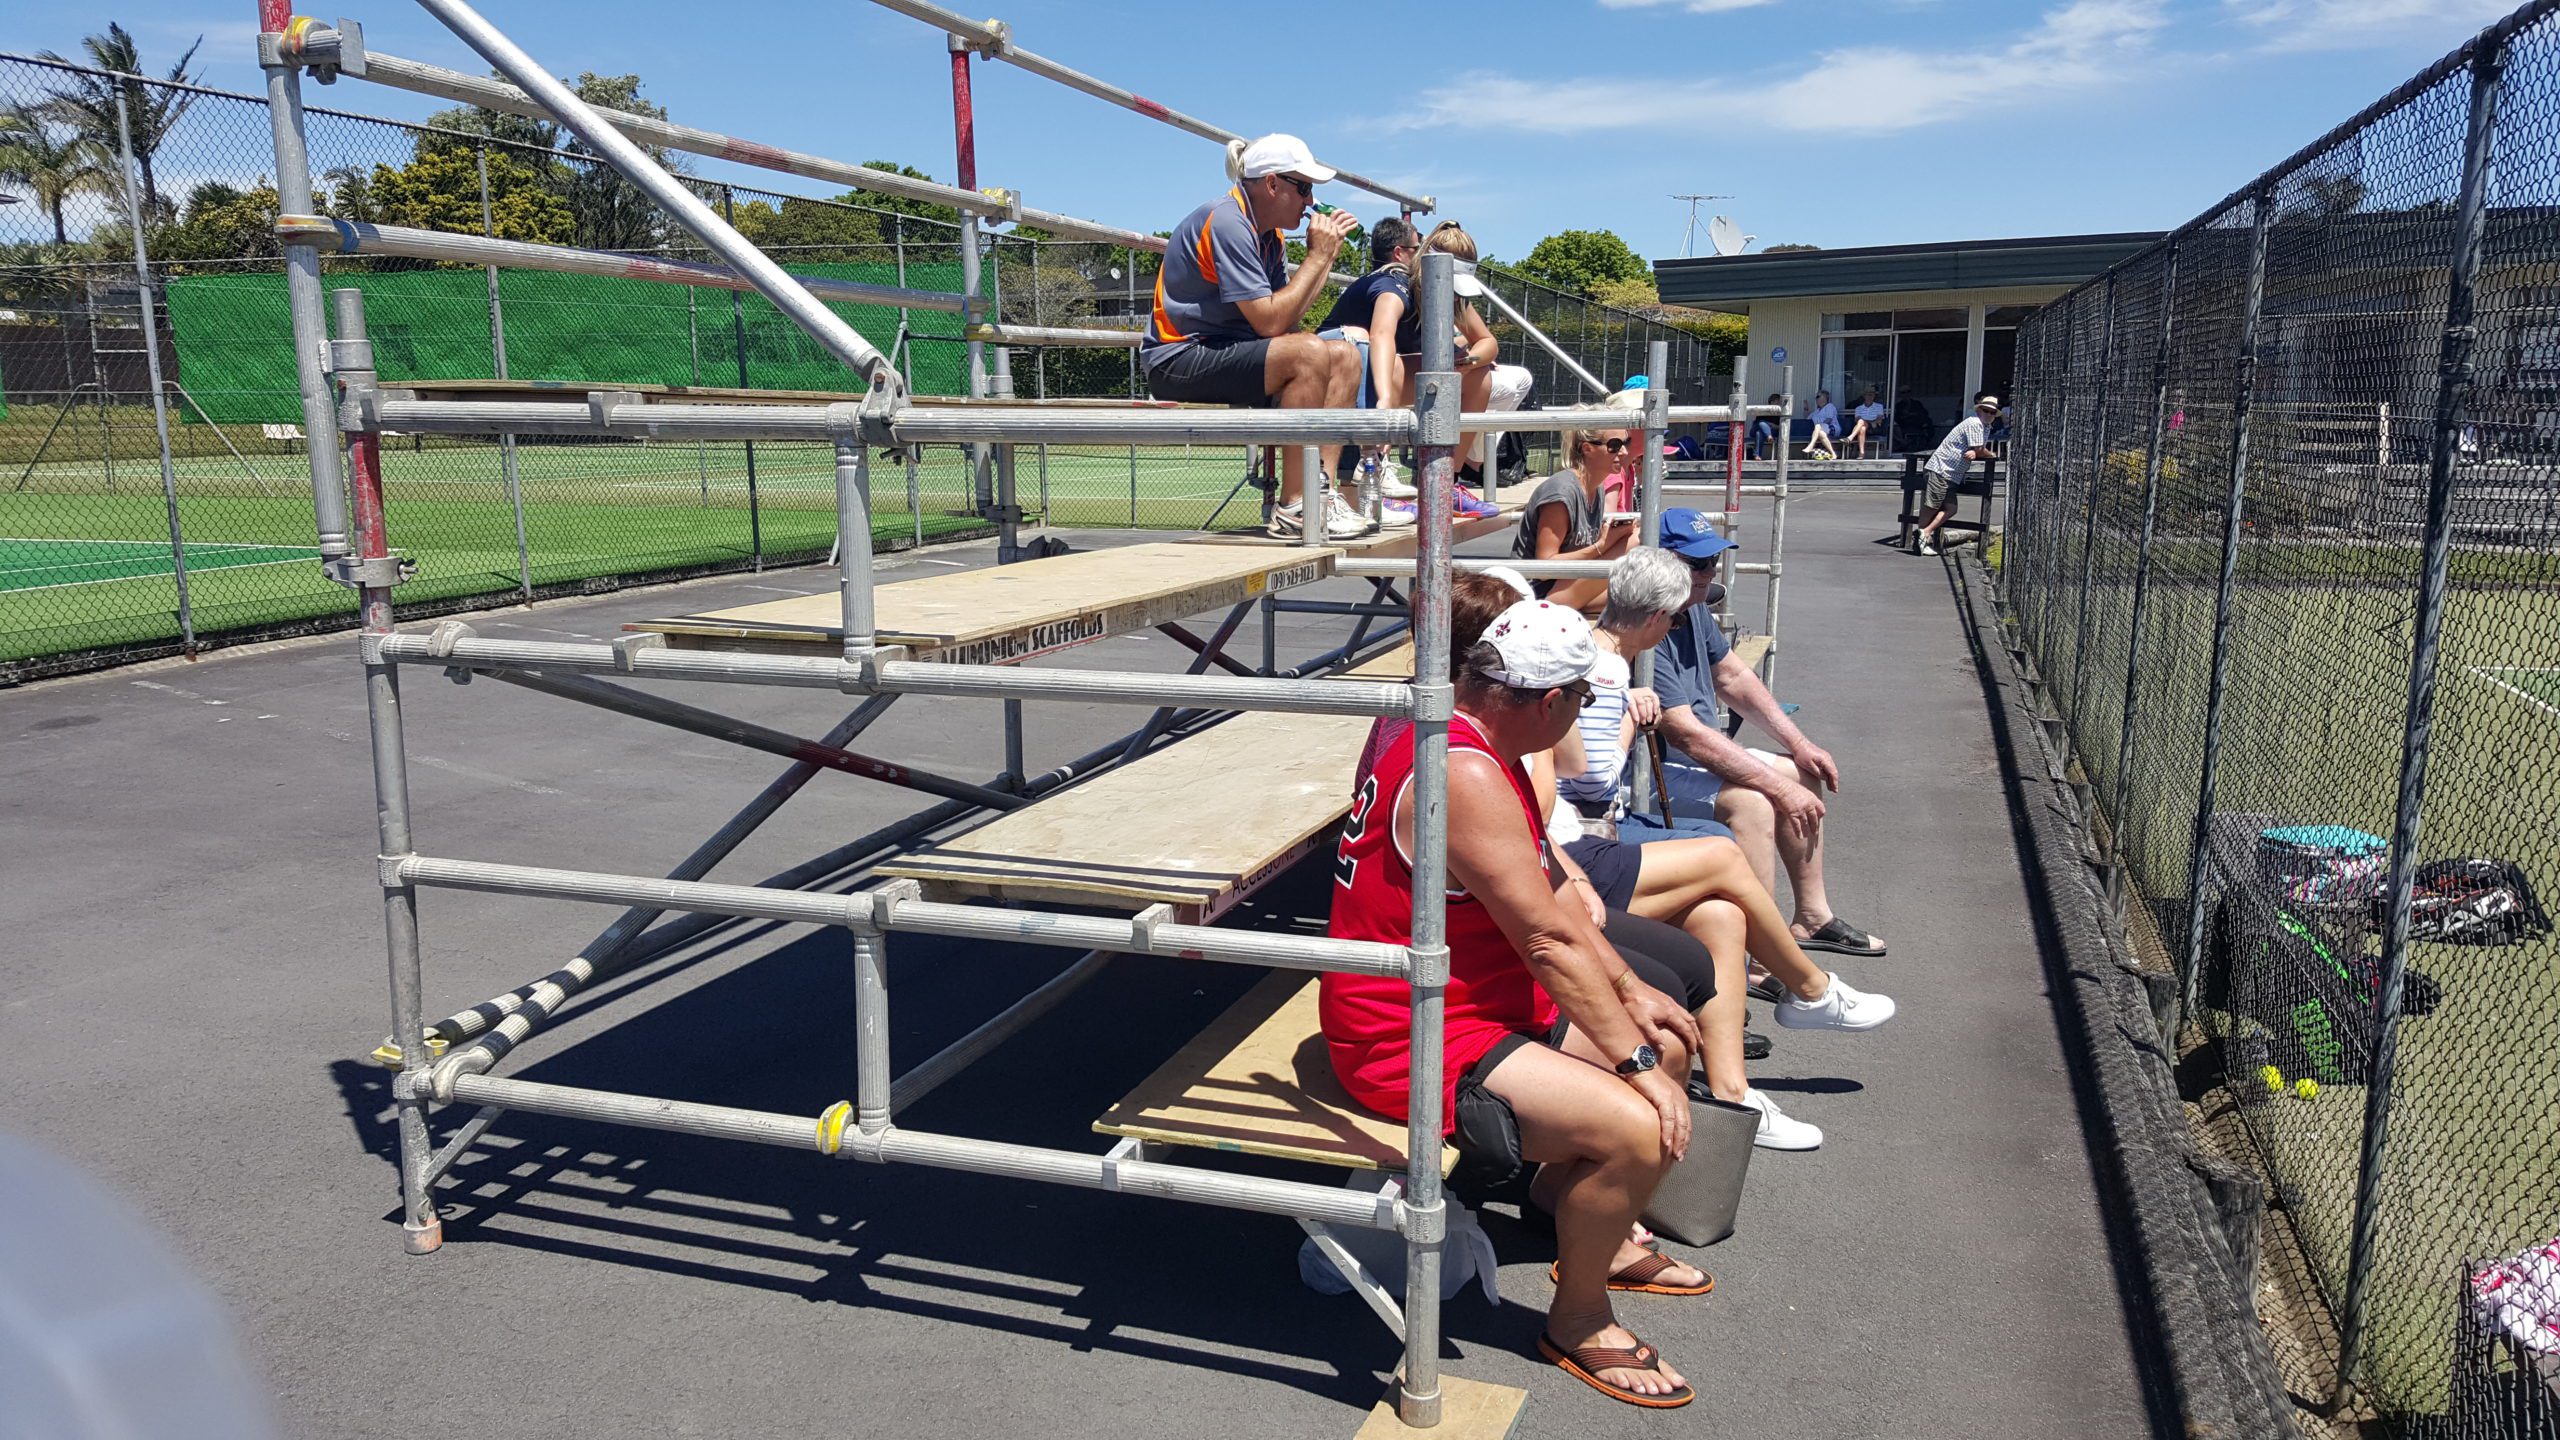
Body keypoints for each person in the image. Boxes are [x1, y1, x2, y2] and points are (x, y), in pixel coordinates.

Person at [1325, 596, 1707, 1407]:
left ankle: (1576, 1223)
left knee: (1668, 1042)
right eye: (1582, 700)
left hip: (1472, 1004)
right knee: (1643, 1127)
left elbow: (1553, 907)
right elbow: (1544, 940)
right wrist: (1635, 1066)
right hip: (1408, 1031)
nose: (1582, 717)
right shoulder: (1464, 769)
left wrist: (1631, 992)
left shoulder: (1474, 740)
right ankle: (1577, 1318)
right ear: (1549, 701)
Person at [1541, 546, 1895, 1149]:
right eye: (1674, 618)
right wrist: (1630, 715)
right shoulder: (1600, 670)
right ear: (1656, 618)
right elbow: (1594, 781)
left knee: (1722, 914)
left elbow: (1731, 678)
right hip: (1578, 850)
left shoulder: (1600, 660)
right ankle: (1809, 988)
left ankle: (1735, 1094)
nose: (1677, 628)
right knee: (1725, 853)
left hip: (1584, 839)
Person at [1625, 510, 1888, 961]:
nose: (1710, 573)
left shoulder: (1692, 608)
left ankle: (1811, 917)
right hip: (1652, 772)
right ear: (1665, 564)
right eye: (1698, 564)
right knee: (1756, 801)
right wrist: (1773, 785)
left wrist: (1799, 745)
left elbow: (1732, 676)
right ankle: (1758, 956)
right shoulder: (1652, 621)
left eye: (1713, 562)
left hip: (1691, 761)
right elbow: (1686, 734)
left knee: (1801, 773)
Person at [1141, 133, 1364, 542]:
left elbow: (1286, 319)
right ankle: (1296, 506)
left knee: (1345, 357)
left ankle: (1322, 494)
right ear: (1272, 184)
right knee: (1310, 353)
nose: (1310, 201)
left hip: (1226, 350)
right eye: (1304, 187)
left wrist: (1326, 258)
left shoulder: (1269, 235)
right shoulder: (1228, 221)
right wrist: (1317, 257)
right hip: (1178, 358)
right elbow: (1268, 323)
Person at [1511, 389, 1640, 611]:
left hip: (1564, 586)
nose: (1624, 452)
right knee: (1638, 555)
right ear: (1587, 449)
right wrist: (1602, 545)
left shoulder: (1596, 487)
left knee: (1642, 594)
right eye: (1614, 445)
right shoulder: (1562, 491)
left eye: (1626, 442)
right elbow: (1544, 567)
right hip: (1538, 595)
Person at [1913, 394, 2001, 556]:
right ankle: (1922, 539)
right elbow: (1980, 449)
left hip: (1952, 473)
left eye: (1992, 412)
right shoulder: (1974, 423)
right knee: (1931, 506)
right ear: (1979, 410)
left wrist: (1976, 452)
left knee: (1951, 508)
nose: (1989, 414)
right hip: (1942, 469)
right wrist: (1990, 454)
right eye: (1986, 410)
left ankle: (1924, 533)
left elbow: (1977, 449)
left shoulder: (1985, 427)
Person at [1842, 388, 1885, 458]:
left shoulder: (1879, 406)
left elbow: (1879, 419)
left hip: (1874, 428)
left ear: (1874, 396)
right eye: (1868, 395)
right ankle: (1861, 453)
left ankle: (1850, 438)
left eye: (1872, 395)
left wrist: (1870, 422)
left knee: (1861, 422)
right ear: (1864, 396)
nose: (1870, 396)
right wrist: (1869, 421)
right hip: (1863, 426)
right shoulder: (1858, 408)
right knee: (1862, 428)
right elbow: (1857, 420)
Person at [1892, 387, 1935, 454]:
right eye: (1903, 393)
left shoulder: (1917, 403)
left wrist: (1912, 414)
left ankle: (1927, 442)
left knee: (1929, 423)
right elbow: (1898, 417)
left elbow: (1923, 413)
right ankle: (1904, 444)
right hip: (1904, 426)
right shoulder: (1899, 405)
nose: (1906, 394)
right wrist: (1907, 416)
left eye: (1908, 392)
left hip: (1917, 424)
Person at [1802, 390, 1840, 461]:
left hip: (1832, 428)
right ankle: (1833, 454)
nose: (1816, 399)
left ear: (1825, 397)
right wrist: (1806, 407)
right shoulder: (1817, 411)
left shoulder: (1829, 406)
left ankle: (1811, 445)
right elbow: (1807, 418)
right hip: (1823, 430)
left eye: (1818, 396)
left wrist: (1820, 427)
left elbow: (1829, 420)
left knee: (1817, 426)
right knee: (1821, 433)